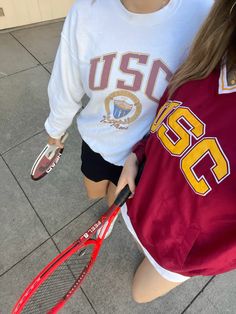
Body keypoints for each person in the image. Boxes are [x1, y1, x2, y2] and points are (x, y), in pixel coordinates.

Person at [116, 0, 236, 303]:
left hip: (178, 252)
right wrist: (136, 155)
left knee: (139, 293)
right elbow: (163, 121)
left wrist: (190, 260)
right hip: (141, 200)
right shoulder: (207, 58)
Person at [45, 0, 213, 213]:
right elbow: (67, 81)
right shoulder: (86, 10)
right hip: (96, 138)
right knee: (93, 192)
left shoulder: (205, 12)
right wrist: (56, 129)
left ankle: (110, 221)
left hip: (146, 150)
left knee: (115, 204)